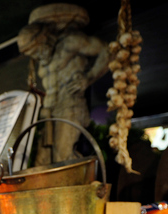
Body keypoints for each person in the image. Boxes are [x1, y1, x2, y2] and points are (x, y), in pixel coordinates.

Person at [18, 4, 109, 164]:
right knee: (43, 161)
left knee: (64, 157)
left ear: (44, 38)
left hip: (70, 105)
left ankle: (80, 187)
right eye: (33, 54)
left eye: (37, 50)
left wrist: (88, 78)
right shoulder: (45, 59)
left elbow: (107, 50)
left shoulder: (69, 41)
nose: (38, 56)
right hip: (48, 110)